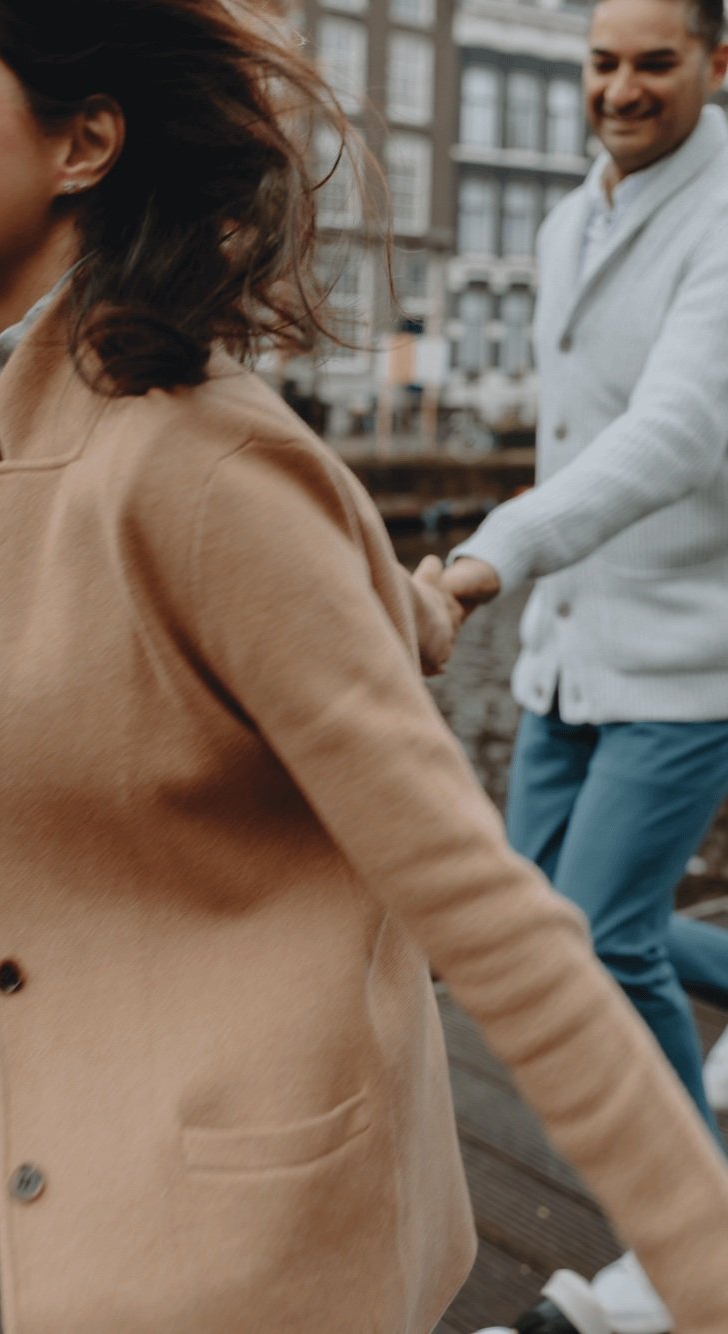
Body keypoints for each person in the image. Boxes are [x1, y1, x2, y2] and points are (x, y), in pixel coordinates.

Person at [0, 1, 728, 1330]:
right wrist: (401, 616)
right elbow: (278, 610)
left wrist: (705, 1266)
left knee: (590, 929)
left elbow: (488, 918)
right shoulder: (49, 421)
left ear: (82, 142)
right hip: (108, 1189)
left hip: (235, 1255)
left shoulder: (192, 459)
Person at [444, 0, 728, 1328]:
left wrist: (488, 553)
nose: (619, 88)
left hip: (688, 647)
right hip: (570, 643)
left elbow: (676, 427)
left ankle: (699, 1229)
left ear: (716, 65)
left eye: (652, 62)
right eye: (601, 62)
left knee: (606, 937)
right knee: (532, 899)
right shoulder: (574, 215)